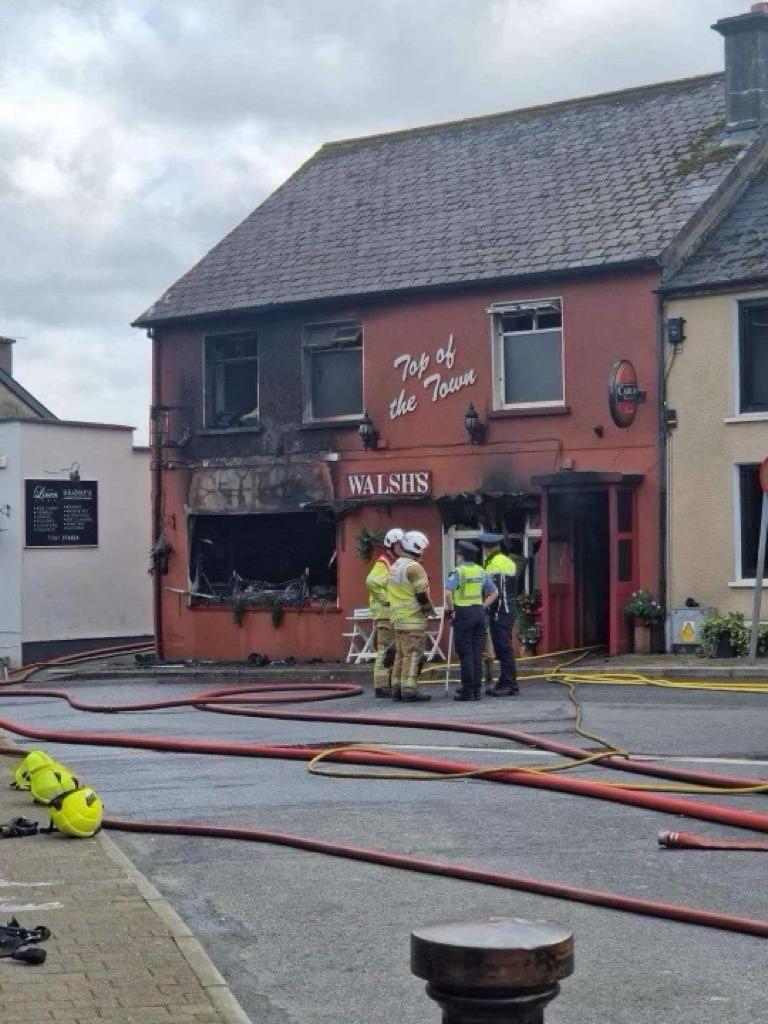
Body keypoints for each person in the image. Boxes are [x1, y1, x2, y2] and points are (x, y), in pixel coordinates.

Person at [445, 541, 498, 701]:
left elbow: (447, 593)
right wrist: (482, 607)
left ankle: (467, 691)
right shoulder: (480, 571)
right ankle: (476, 691)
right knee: (476, 653)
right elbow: (494, 592)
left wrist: (452, 610)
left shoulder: (458, 571)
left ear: (460, 555)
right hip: (479, 614)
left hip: (463, 614)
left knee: (465, 654)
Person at [387, 530, 434, 702]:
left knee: (400, 655)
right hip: (412, 619)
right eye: (423, 549)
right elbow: (421, 594)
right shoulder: (414, 568)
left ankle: (397, 688)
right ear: (417, 546)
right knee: (413, 654)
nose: (423, 552)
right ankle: (409, 689)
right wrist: (430, 610)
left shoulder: (396, 565)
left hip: (398, 618)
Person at [478, 532, 520, 697]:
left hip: (501, 612)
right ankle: (504, 680)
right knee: (504, 647)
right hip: (509, 609)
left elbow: (496, 593)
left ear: (486, 548)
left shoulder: (494, 565)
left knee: (503, 648)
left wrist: (491, 611)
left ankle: (510, 684)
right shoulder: (507, 561)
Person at [365, 527, 404, 697]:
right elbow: (372, 582)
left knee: (391, 650)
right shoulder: (384, 562)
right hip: (385, 614)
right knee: (384, 650)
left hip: (391, 614)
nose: (402, 548)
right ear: (391, 545)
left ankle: (387, 683)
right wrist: (386, 599)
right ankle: (381, 686)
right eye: (399, 545)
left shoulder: (394, 562)